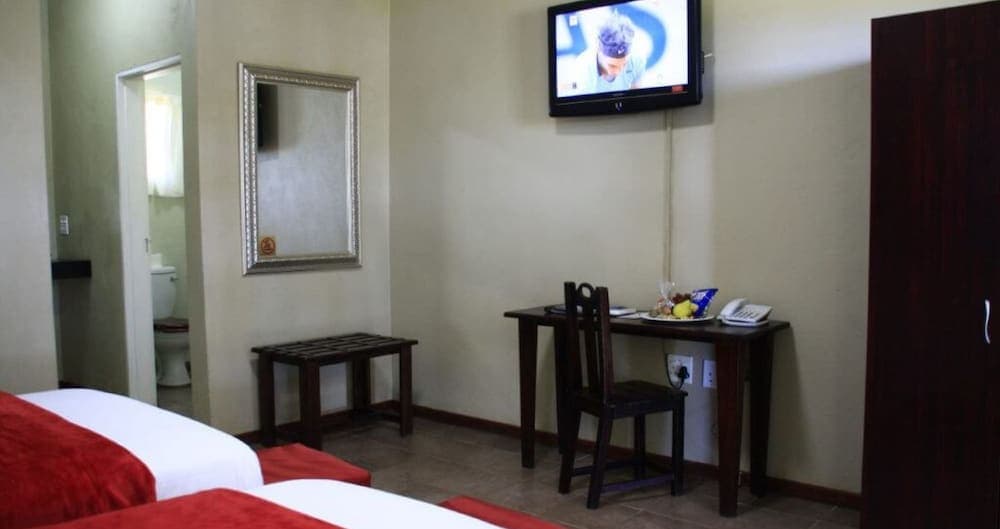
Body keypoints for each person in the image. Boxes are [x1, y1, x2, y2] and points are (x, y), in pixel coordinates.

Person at [569, 13, 647, 96]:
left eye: (624, 64)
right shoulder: (582, 70)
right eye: (612, 66)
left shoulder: (637, 60)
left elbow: (635, 97)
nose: (618, 72)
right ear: (598, 49)